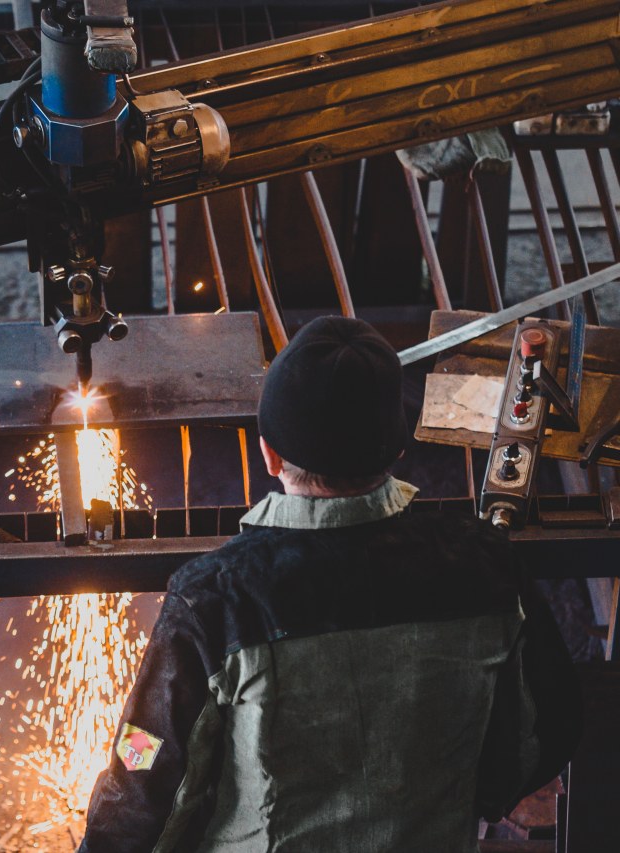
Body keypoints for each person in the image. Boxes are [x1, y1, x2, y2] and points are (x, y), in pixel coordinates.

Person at [77, 317, 581, 853]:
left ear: (268, 453)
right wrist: (475, 798)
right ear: (397, 450)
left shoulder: (214, 598)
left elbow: (145, 764)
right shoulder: (487, 568)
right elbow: (550, 725)